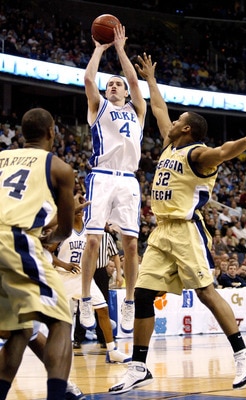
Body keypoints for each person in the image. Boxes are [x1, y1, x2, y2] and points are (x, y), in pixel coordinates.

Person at [108, 53, 246, 394]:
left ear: (186, 129)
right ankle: (139, 365)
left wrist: (245, 143)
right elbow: (157, 108)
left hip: (187, 230)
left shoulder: (198, 154)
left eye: (177, 120)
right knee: (141, 294)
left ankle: (244, 355)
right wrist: (151, 80)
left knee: (206, 293)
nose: (168, 122)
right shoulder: (171, 144)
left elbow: (223, 151)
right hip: (161, 231)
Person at [0, 108, 75, 400]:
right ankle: (57, 395)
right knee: (60, 320)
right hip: (16, 239)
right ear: (51, 132)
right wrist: (47, 237)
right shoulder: (59, 168)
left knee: (21, 329)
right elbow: (65, 231)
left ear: (22, 133)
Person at [80, 23, 147, 334]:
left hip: (128, 180)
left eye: (118, 84)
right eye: (111, 85)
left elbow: (135, 80)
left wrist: (120, 47)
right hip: (102, 176)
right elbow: (88, 79)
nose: (114, 87)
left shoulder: (138, 110)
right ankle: (84, 298)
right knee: (93, 240)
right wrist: (99, 48)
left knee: (131, 245)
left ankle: (129, 301)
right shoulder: (99, 107)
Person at [49, 195, 131, 363]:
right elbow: (46, 252)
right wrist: (64, 264)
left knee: (104, 310)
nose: (79, 210)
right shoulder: (62, 229)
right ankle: (56, 351)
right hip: (63, 277)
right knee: (58, 318)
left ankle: (112, 350)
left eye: (81, 207)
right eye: (76, 207)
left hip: (84, 278)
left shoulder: (89, 230)